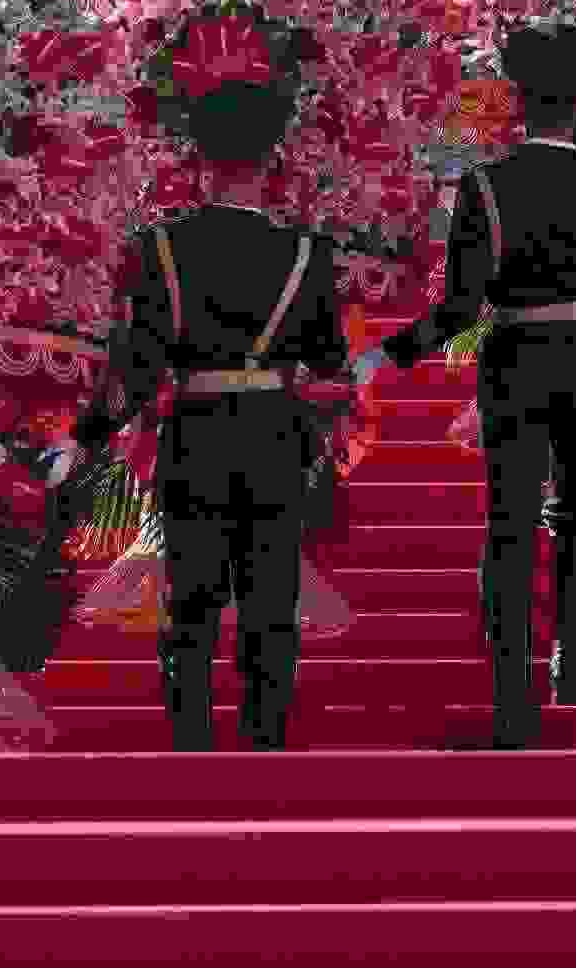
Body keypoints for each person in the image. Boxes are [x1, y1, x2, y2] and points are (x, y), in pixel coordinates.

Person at [61, 72, 355, 751]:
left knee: (189, 599)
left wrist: (86, 434)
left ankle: (190, 745)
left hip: (195, 436)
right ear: (272, 157)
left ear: (199, 156)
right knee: (270, 597)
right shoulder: (305, 253)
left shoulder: (160, 248)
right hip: (275, 436)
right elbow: (329, 363)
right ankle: (264, 742)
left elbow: (136, 367)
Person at [367, 24, 576, 748]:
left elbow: (460, 308)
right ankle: (571, 669)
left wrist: (388, 356)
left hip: (519, 355)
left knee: (510, 522)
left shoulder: (486, 188)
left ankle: (512, 697)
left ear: (518, 99)